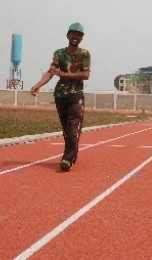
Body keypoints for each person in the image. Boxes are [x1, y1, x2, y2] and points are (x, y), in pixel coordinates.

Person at [30, 22, 91, 171]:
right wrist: (38, 85)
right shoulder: (59, 53)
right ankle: (72, 153)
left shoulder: (84, 54)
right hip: (60, 95)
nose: (75, 37)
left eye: (78, 34)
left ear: (81, 38)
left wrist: (65, 74)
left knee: (72, 127)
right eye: (73, 33)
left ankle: (67, 159)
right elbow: (51, 72)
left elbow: (85, 74)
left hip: (76, 95)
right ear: (68, 35)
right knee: (66, 129)